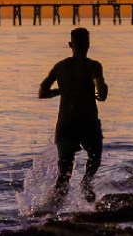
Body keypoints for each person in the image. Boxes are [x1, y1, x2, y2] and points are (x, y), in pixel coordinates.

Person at [38, 28, 108, 208]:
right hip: (87, 123)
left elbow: (43, 92)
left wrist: (62, 90)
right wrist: (99, 88)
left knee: (64, 176)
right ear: (88, 45)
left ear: (71, 45)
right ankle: (86, 182)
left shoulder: (60, 66)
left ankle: (49, 213)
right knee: (94, 157)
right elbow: (103, 92)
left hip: (65, 125)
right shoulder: (94, 66)